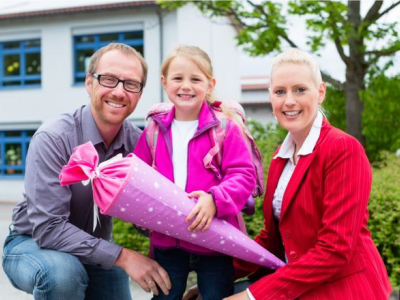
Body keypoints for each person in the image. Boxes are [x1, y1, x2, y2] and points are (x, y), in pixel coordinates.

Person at [2, 43, 171, 300]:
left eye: (131, 84)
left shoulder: (140, 144)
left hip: (94, 248)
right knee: (63, 274)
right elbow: (48, 228)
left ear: (139, 93)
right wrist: (123, 257)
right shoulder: (54, 137)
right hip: (32, 243)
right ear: (89, 82)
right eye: (109, 79)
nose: (119, 92)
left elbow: (150, 215)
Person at [225, 48, 392, 299]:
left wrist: (252, 297)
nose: (289, 101)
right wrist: (216, 279)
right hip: (301, 286)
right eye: (280, 91)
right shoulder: (281, 155)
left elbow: (334, 250)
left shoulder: (343, 148)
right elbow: (272, 239)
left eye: (300, 90)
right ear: (271, 96)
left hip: (345, 289)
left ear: (320, 92)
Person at [133, 45, 256, 300]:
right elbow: (137, 177)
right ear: (165, 83)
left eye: (195, 79)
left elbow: (244, 175)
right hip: (167, 242)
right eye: (178, 78)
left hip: (215, 240)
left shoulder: (225, 128)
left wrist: (215, 199)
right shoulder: (153, 131)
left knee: (215, 296)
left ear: (210, 85)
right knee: (165, 296)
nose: (186, 86)